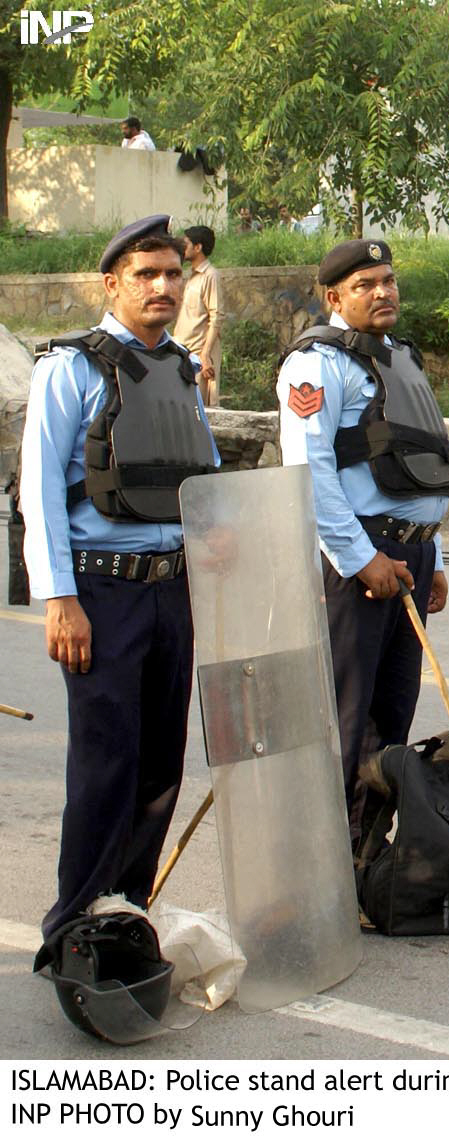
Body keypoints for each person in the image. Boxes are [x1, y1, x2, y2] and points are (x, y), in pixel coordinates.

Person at [20, 215, 219, 939]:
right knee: (107, 764)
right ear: (112, 283)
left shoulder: (183, 370)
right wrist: (60, 600)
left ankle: (127, 909)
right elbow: (37, 488)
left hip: (174, 588)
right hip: (102, 592)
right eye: (146, 274)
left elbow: (206, 480)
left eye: (173, 272)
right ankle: (74, 924)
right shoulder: (70, 367)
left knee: (161, 764)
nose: (164, 286)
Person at [276, 239, 449, 841]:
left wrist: (434, 555)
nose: (383, 292)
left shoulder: (399, 357)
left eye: (388, 280)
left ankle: (370, 853)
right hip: (361, 558)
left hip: (410, 554)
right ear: (334, 297)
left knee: (394, 717)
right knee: (349, 720)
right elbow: (311, 474)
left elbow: (422, 463)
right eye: (364, 285)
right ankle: (333, 860)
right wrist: (358, 560)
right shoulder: (315, 365)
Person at [173, 225, 222, 407]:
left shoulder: (211, 276)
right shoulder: (191, 277)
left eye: (185, 243)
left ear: (198, 247)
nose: (182, 248)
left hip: (199, 355)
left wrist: (206, 354)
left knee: (200, 410)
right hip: (183, 351)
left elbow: (216, 316)